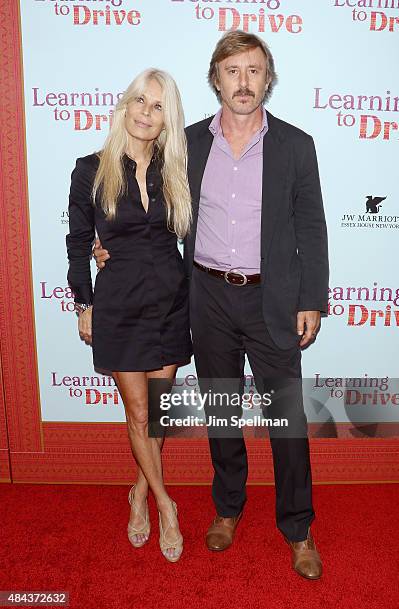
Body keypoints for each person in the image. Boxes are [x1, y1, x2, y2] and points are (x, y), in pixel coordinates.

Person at [94, 31, 329, 579]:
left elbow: (311, 228)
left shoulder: (296, 145)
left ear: (267, 79)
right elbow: (137, 200)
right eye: (232, 71)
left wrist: (311, 299)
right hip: (207, 296)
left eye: (253, 70)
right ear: (215, 79)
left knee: (288, 422)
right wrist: (106, 247)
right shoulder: (189, 143)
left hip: (273, 299)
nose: (243, 82)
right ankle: (228, 508)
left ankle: (298, 528)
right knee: (222, 412)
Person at [66, 68, 193, 563]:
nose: (146, 111)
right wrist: (84, 301)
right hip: (118, 302)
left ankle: (138, 490)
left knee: (157, 414)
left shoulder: (177, 169)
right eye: (140, 100)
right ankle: (165, 503)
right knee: (138, 413)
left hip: (169, 298)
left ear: (167, 118)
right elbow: (78, 243)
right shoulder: (90, 168)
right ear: (124, 106)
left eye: (158, 105)